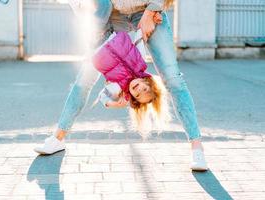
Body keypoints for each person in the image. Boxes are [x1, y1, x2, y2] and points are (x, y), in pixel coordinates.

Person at [34, 0, 208, 171]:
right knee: (84, 79)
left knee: (173, 79)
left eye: (139, 92)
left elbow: (110, 90)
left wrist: (153, 8)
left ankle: (197, 148)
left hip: (147, 9)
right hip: (112, 13)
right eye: (142, 89)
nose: (139, 89)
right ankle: (58, 138)